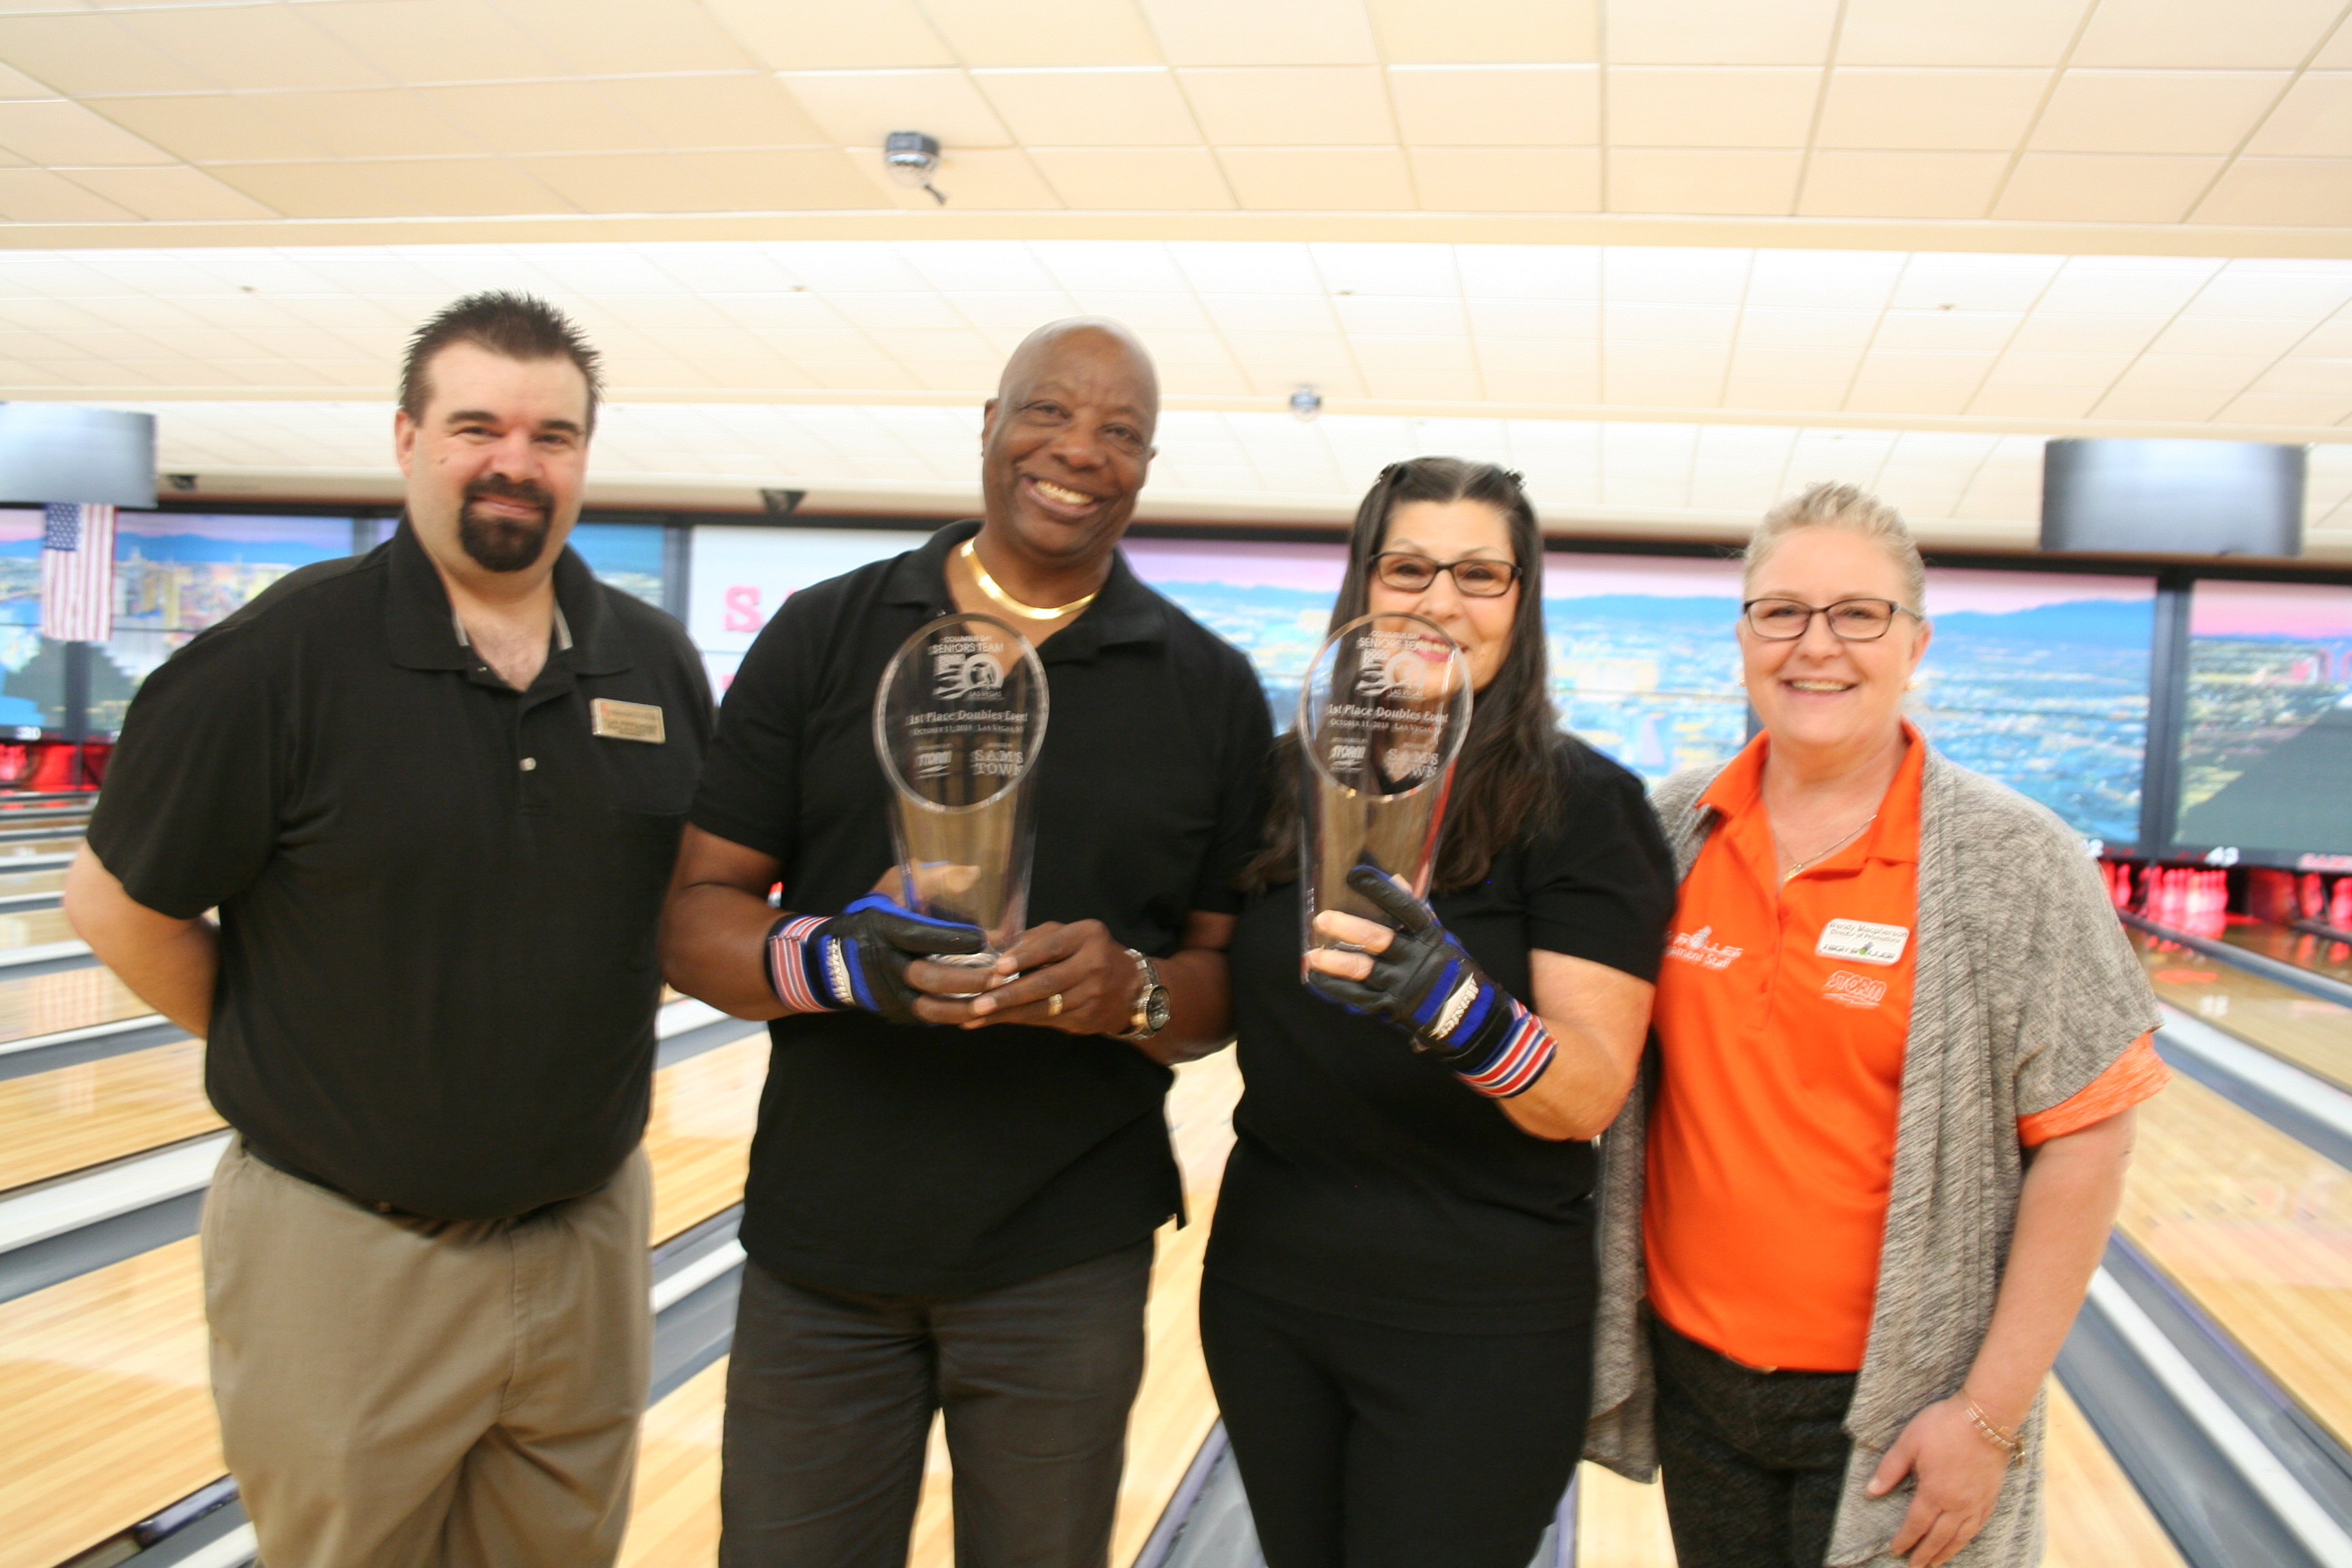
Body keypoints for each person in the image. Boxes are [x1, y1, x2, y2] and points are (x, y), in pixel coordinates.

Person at [63, 291, 713, 1567]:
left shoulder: (651, 661)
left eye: (551, 435)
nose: (515, 461)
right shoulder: (278, 658)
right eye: (477, 428)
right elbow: (114, 905)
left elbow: (684, 907)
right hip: (347, 1249)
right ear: (409, 439)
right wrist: (301, 1053)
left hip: (584, 1240)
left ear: (584, 457)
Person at [660, 317, 1272, 1568]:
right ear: (989, 426)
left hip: (1067, 1257)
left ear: (1147, 466)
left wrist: (1131, 993)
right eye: (1048, 411)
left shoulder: (1205, 687)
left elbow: (1219, 985)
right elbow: (693, 915)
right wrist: (841, 960)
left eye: (1120, 432)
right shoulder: (825, 633)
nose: (1080, 451)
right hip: (822, 1248)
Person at [1584, 483, 2170, 1568]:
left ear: (1916, 644)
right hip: (1699, 1385)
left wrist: (1987, 1416)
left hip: (1906, 1405)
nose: (1818, 645)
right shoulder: (1669, 830)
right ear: (1744, 638)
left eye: (1859, 614)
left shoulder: (2014, 861)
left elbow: (2088, 1142)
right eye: (1782, 612)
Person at [1198, 457, 1678, 1568]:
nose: (1441, 601)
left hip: (1481, 1320)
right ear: (1364, 585)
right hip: (1271, 1294)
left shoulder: (1584, 806)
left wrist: (1457, 1009)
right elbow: (1205, 996)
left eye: (1480, 574)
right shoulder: (1278, 784)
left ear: (1522, 598)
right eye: (1409, 567)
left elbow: (1586, 1093)